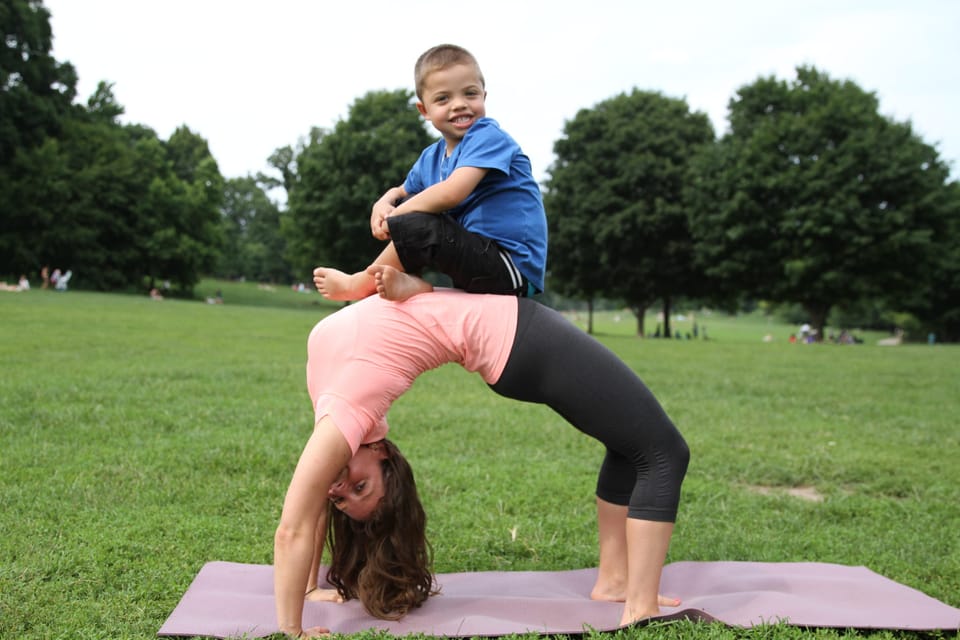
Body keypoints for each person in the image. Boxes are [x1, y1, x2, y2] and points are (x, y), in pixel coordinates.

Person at [274, 267, 690, 638]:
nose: (341, 484)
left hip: (511, 341)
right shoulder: (350, 418)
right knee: (663, 452)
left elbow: (308, 512)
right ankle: (639, 610)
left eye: (350, 490)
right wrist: (292, 632)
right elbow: (296, 525)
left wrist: (311, 585)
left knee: (627, 444)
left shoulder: (338, 418)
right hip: (517, 337)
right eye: (354, 489)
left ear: (383, 455)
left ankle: (617, 581)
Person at [313, 44, 547, 303]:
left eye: (470, 94)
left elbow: (452, 193)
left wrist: (398, 217)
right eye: (443, 99)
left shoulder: (488, 136)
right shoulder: (431, 158)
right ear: (424, 110)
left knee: (418, 223)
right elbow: (402, 191)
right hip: (473, 260)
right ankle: (416, 285)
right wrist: (384, 203)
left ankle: (356, 284)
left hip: (511, 265)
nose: (459, 105)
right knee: (414, 216)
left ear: (484, 96)